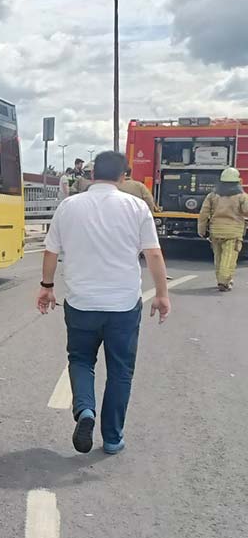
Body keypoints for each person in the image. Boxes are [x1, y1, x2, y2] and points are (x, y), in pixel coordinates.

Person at [36, 151, 170, 456]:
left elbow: (50, 253)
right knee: (121, 370)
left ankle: (85, 411)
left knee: (81, 360)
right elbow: (153, 255)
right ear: (124, 176)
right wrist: (162, 294)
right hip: (123, 304)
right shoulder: (136, 207)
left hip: (81, 302)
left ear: (92, 174)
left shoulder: (69, 206)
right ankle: (112, 438)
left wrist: (46, 287)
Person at [198, 167, 248, 292]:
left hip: (216, 231)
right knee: (229, 257)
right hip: (233, 232)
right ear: (238, 181)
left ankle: (221, 280)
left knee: (218, 257)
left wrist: (201, 230)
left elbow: (203, 214)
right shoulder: (242, 196)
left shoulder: (212, 196)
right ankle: (224, 281)